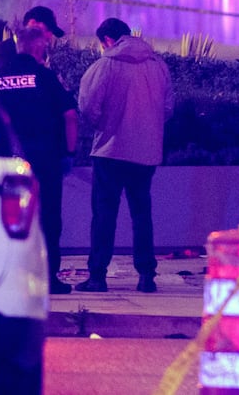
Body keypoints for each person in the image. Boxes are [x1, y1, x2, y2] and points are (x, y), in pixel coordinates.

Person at [75, 18, 174, 293]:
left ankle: (97, 276)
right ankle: (146, 276)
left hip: (110, 150)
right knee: (142, 213)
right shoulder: (158, 65)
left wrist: (104, 126)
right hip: (146, 152)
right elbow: (168, 108)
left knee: (104, 214)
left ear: (107, 40)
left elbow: (88, 105)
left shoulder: (105, 65)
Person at [0, 26, 79, 295]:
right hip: (45, 158)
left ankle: (8, 277)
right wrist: (69, 153)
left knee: (8, 219)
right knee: (48, 218)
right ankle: (49, 278)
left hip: (7, 161)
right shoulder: (45, 77)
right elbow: (70, 116)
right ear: (38, 47)